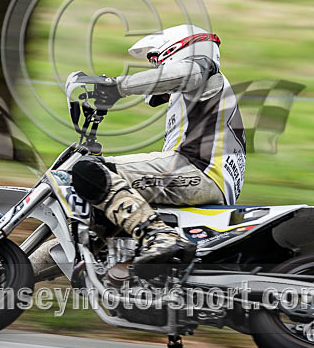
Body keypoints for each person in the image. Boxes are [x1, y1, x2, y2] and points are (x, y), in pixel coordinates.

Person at [67, 24, 247, 275]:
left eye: (157, 60)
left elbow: (186, 74)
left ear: (178, 50)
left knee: (90, 172)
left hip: (198, 172)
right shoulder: (192, 96)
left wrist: (116, 87)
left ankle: (161, 237)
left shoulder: (206, 73)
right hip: (198, 175)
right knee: (99, 214)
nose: (156, 68)